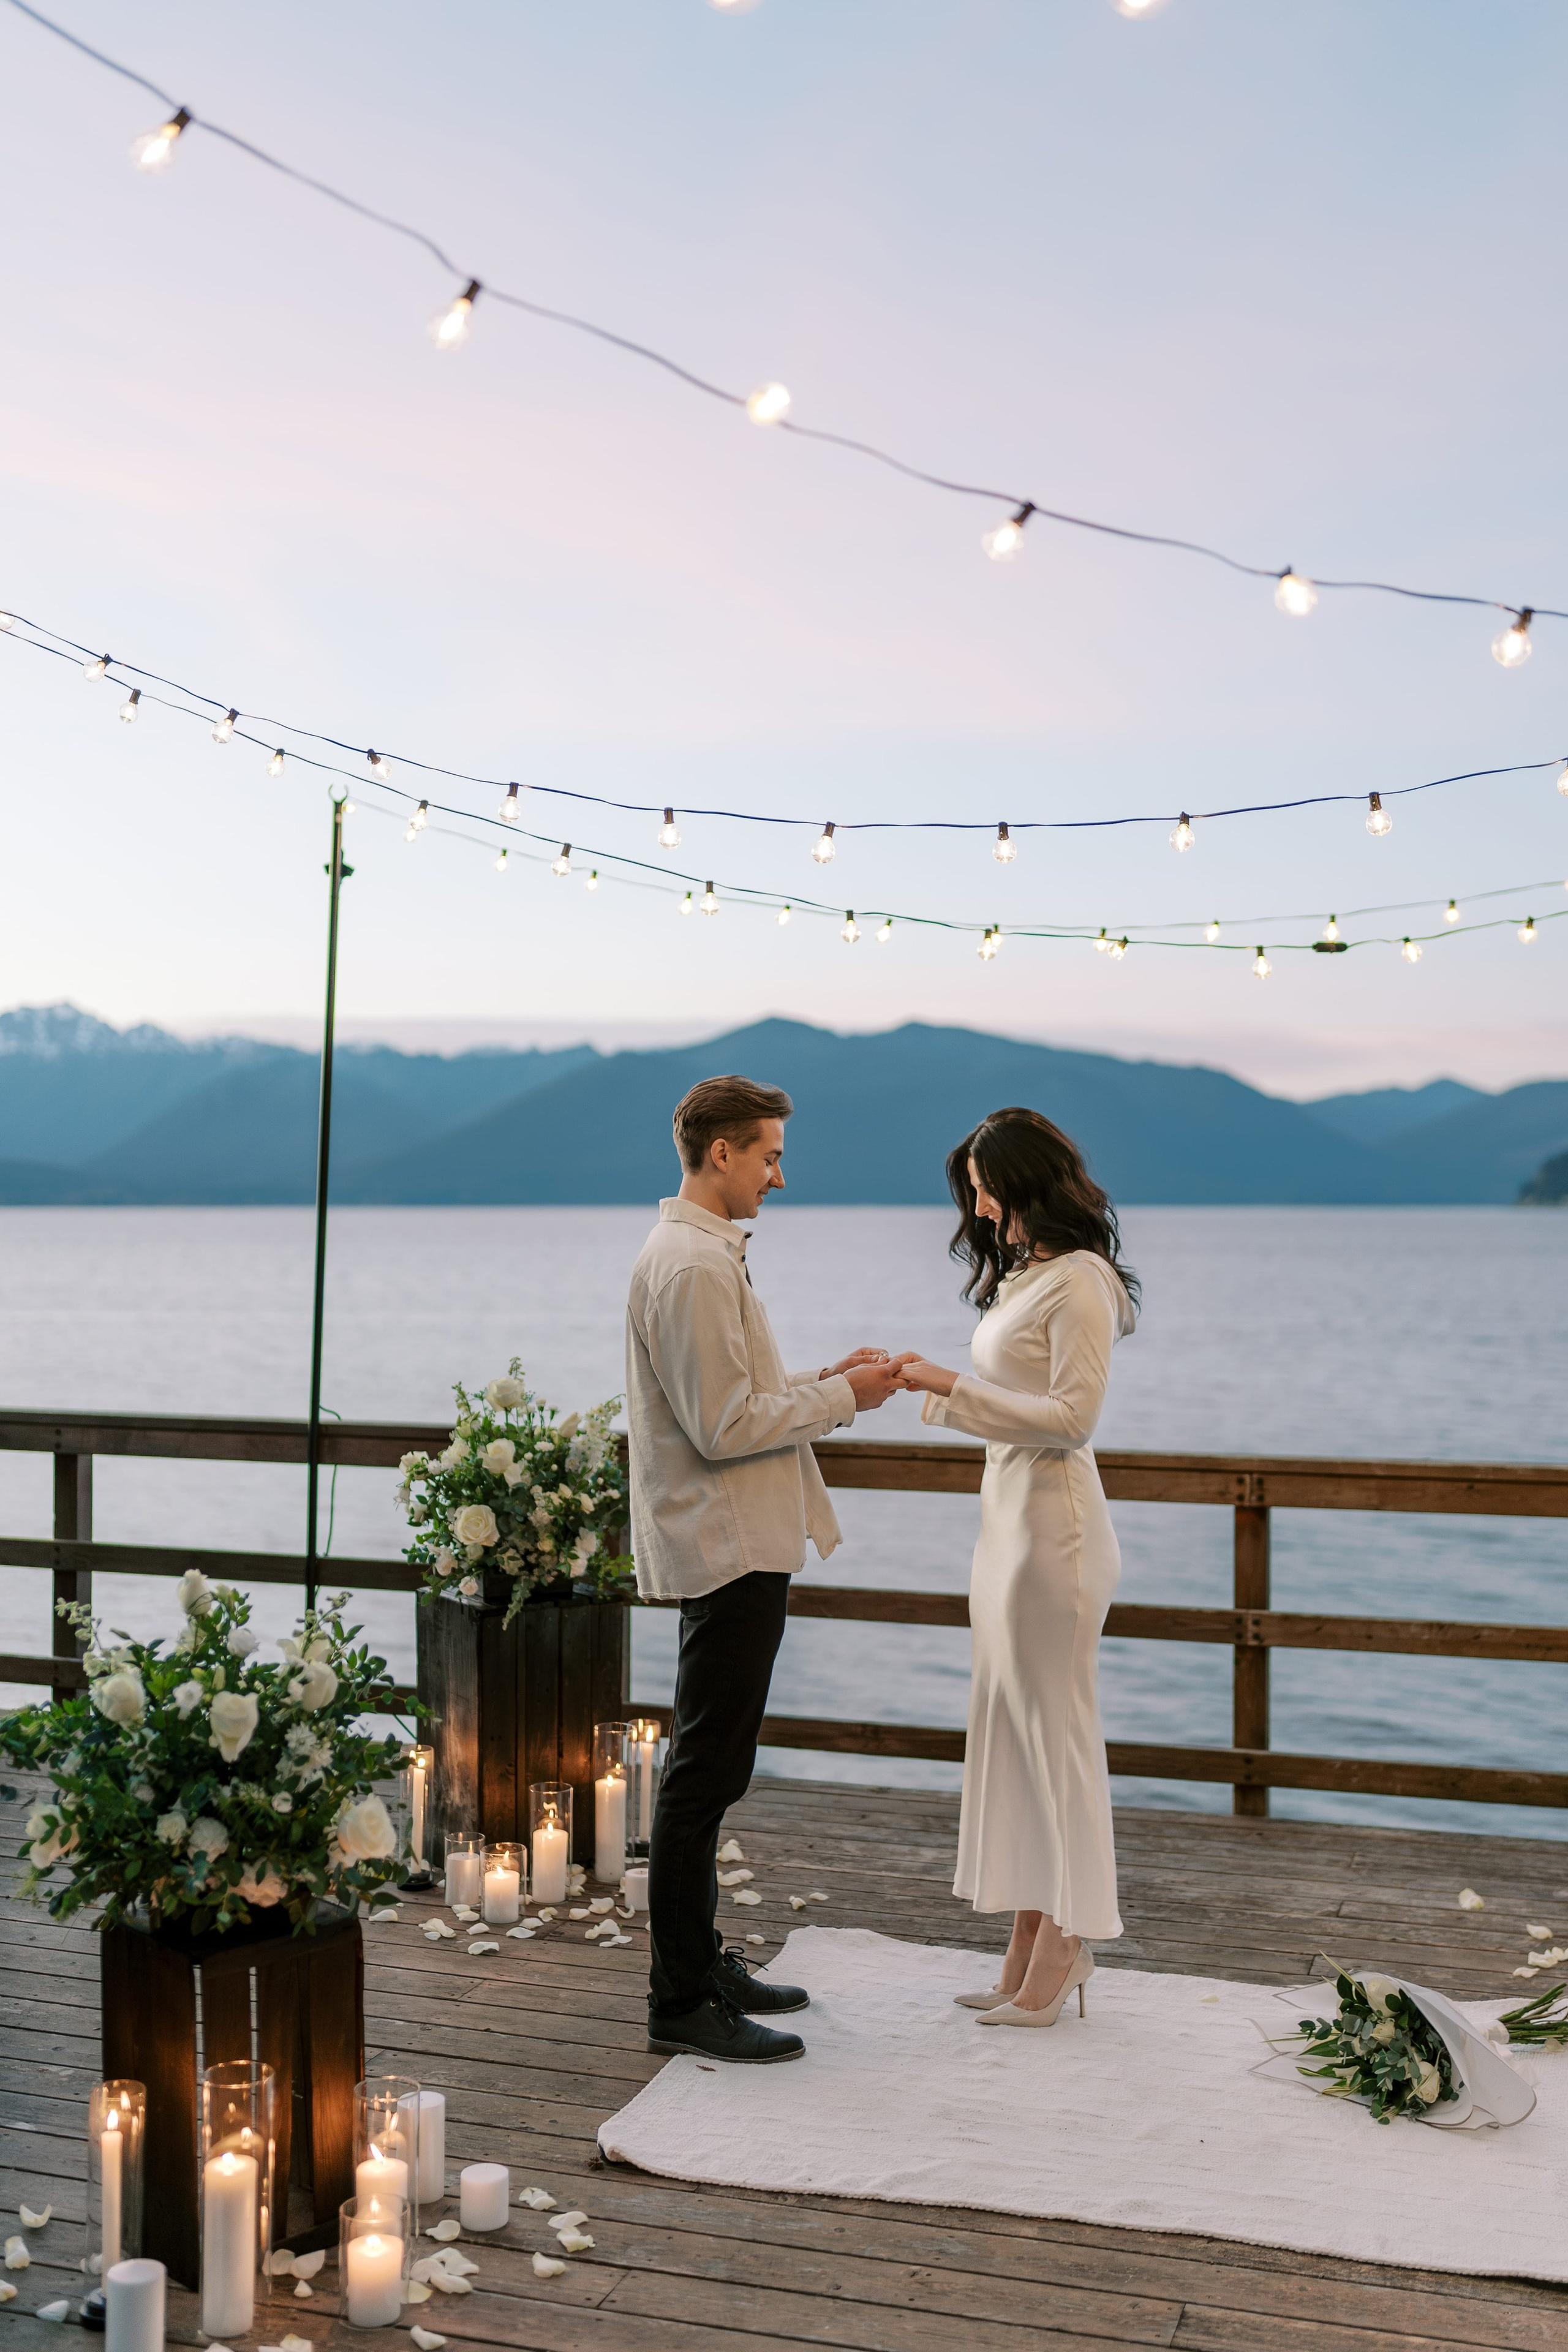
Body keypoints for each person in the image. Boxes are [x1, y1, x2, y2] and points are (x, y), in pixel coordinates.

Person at [626, 1072, 910, 2063]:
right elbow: (724, 1425)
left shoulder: (699, 1256)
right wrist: (848, 1402)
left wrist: (830, 1378)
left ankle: (701, 1964)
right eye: (771, 1156)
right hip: (729, 1544)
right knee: (703, 1775)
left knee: (711, 1767)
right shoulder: (694, 1267)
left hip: (736, 1538)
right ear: (721, 1154)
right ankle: (678, 1998)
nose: (780, 1177)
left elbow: (740, 1392)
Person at [895, 1106, 1138, 2026]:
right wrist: (942, 1381)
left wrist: (946, 1383)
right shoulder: (1029, 1276)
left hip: (1055, 1533)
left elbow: (1073, 1419)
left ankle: (1069, 1940)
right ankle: (1028, 1939)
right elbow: (1016, 1400)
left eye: (984, 1185)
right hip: (1007, 1523)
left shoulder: (1080, 1282)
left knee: (1058, 1740)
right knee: (1017, 1735)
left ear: (1024, 1181)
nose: (978, 1204)